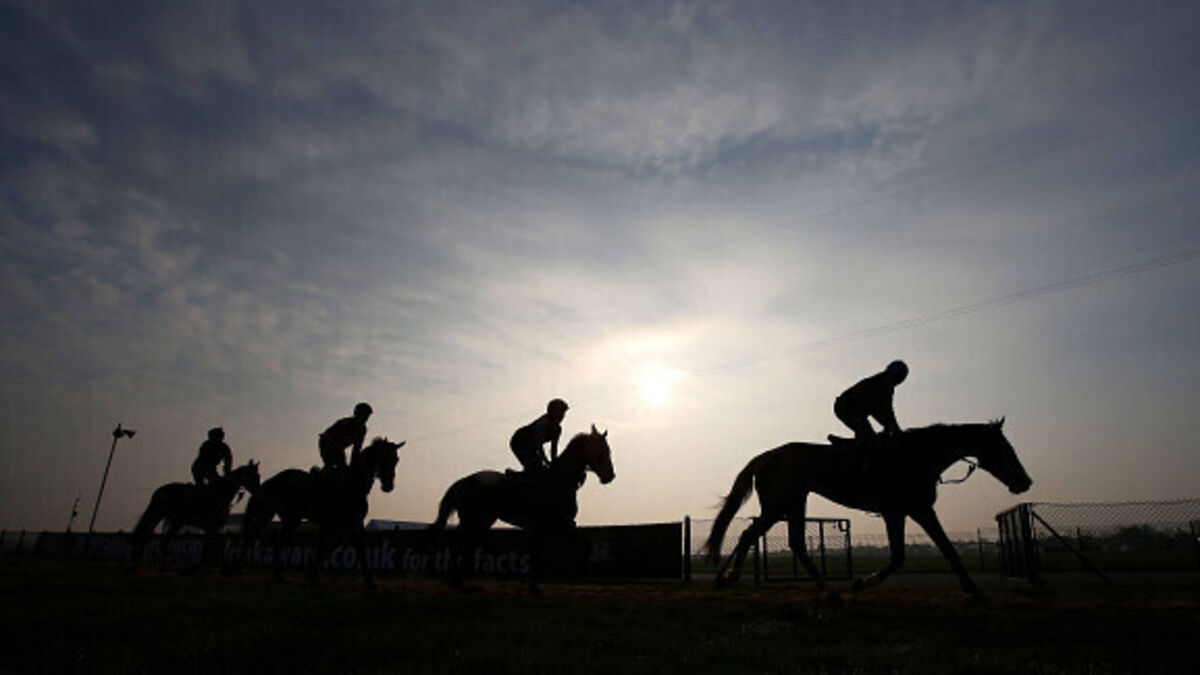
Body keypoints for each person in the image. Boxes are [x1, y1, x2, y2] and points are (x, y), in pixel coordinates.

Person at [830, 360, 908, 442]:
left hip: (851, 409)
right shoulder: (882, 384)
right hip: (846, 408)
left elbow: (885, 411)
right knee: (868, 437)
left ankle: (860, 440)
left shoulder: (883, 382)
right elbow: (881, 411)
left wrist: (889, 428)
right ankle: (859, 442)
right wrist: (894, 430)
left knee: (869, 435)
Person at [509, 398, 568, 474]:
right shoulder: (544, 423)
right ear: (553, 413)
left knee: (539, 467)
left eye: (563, 413)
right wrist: (546, 461)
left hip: (531, 446)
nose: (563, 416)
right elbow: (539, 446)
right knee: (534, 467)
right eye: (561, 413)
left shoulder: (558, 429)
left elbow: (554, 449)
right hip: (519, 441)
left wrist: (554, 464)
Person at [319, 402, 372, 469]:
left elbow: (356, 449)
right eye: (365, 415)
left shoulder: (362, 429)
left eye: (367, 416)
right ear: (358, 414)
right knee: (334, 465)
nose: (366, 419)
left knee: (344, 467)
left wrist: (353, 465)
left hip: (339, 447)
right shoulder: (345, 423)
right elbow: (334, 443)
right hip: (326, 442)